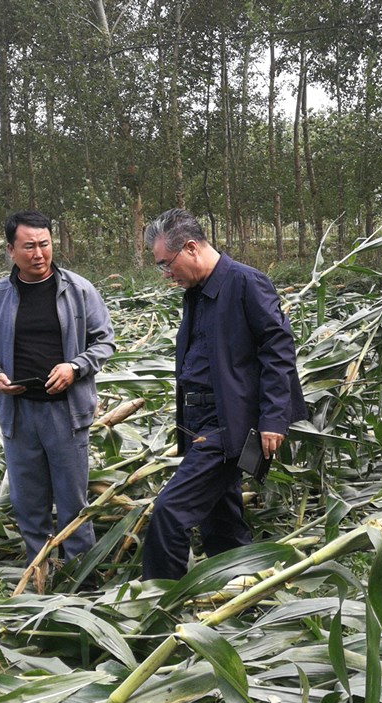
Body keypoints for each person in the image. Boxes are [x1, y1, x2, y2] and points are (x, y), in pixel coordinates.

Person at [142, 208, 306, 580]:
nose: (166, 275)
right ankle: (242, 591)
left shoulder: (247, 283)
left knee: (170, 511)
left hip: (229, 424)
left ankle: (157, 600)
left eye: (167, 264)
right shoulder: (197, 291)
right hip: (199, 421)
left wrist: (273, 419)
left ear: (191, 248)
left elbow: (278, 352)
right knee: (221, 520)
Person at [0, 210, 115, 565]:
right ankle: (40, 574)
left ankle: (81, 576)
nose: (39, 254)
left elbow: (104, 341)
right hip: (19, 416)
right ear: (10, 250)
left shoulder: (78, 290)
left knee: (72, 504)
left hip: (65, 414)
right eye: (29, 246)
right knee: (28, 503)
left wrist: (75, 367)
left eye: (44, 244)